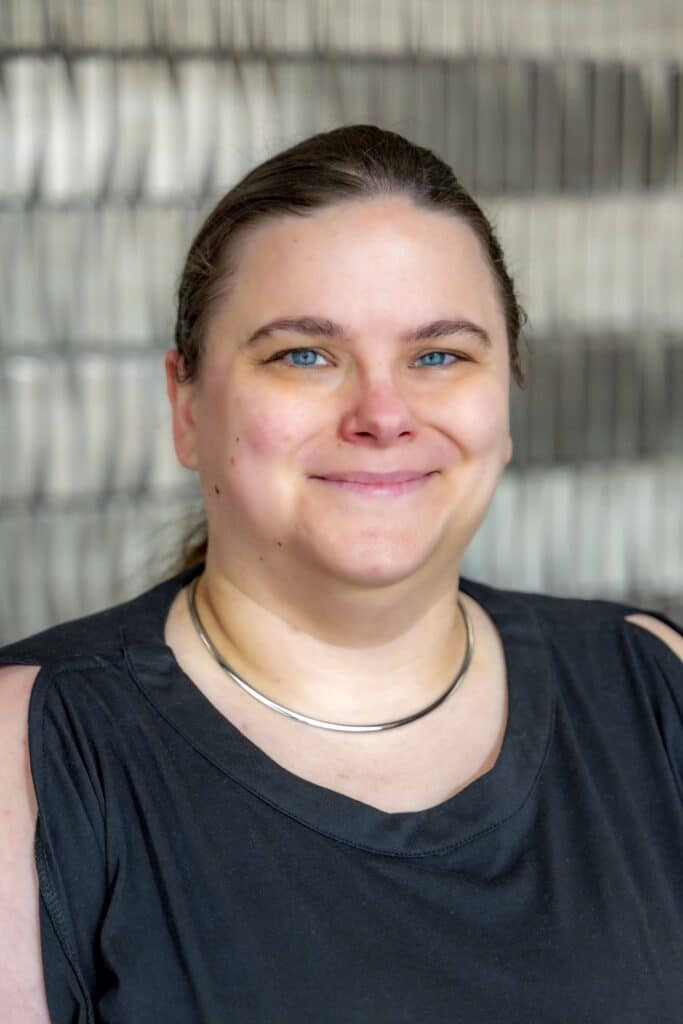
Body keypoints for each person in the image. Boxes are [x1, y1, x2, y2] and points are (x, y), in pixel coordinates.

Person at [1, 124, 682, 1023]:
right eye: (304, 355)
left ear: (505, 401)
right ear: (187, 406)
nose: (383, 413)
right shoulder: (32, 753)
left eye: (438, 354)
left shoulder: (650, 683)